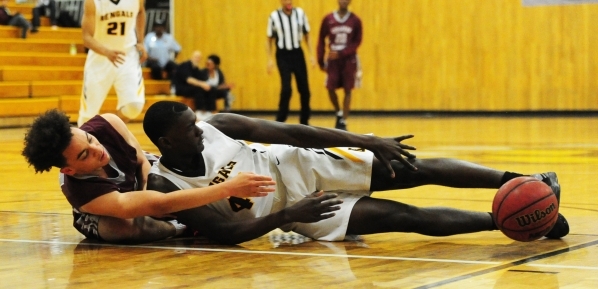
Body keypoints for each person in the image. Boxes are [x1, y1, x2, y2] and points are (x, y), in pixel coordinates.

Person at [143, 101, 569, 245]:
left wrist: (365, 140)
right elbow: (224, 234)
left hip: (299, 164)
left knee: (412, 169)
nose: (199, 132)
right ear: (166, 142)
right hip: (295, 210)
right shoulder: (167, 183)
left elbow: (293, 131)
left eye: (197, 123)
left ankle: (524, 181)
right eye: (188, 130)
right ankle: (517, 222)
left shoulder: (218, 124)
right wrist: (287, 218)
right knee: (402, 217)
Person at [22, 109, 276, 243]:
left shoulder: (107, 123)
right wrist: (228, 188)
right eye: (85, 155)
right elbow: (156, 204)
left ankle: (186, 217)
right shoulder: (82, 193)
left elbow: (143, 160)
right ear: (68, 170)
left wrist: (156, 186)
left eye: (90, 139)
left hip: (146, 179)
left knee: (171, 183)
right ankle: (180, 229)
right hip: (118, 210)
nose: (98, 150)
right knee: (122, 229)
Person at [78, 0, 148, 127]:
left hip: (127, 55)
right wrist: (107, 52)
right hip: (100, 59)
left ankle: (107, 129)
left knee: (134, 106)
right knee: (88, 115)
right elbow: (86, 38)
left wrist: (141, 41)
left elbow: (141, 12)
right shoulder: (93, 2)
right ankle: (84, 142)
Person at [266, 0, 315, 125]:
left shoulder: (300, 13)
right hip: (282, 55)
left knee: (304, 89)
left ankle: (304, 121)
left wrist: (311, 55)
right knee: (286, 88)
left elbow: (307, 35)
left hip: (297, 53)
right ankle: (280, 120)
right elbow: (269, 39)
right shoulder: (274, 16)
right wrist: (269, 59)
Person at [317, 0, 363, 131]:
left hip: (349, 60)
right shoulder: (328, 19)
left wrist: (342, 53)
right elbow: (321, 39)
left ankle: (343, 120)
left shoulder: (355, 20)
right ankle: (338, 112)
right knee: (330, 87)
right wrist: (320, 59)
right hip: (333, 60)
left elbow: (357, 42)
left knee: (348, 89)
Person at [171, 50, 211, 118]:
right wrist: (202, 84)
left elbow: (202, 78)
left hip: (189, 88)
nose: (197, 59)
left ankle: (209, 110)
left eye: (199, 58)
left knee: (210, 90)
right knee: (198, 90)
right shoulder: (185, 66)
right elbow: (189, 80)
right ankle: (199, 112)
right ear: (192, 57)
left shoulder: (196, 68)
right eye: (196, 57)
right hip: (180, 88)